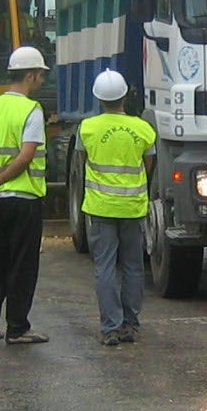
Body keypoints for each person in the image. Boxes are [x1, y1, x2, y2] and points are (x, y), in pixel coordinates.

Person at [0, 46, 50, 344]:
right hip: (24, 199)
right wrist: (1, 179)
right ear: (29, 75)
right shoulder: (32, 110)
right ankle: (18, 327)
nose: (42, 80)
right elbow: (26, 155)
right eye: (40, 75)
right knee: (22, 264)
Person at [77, 69, 156, 346]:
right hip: (132, 207)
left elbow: (82, 159)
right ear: (125, 95)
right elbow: (148, 165)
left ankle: (110, 327)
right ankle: (131, 325)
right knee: (134, 267)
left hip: (100, 207)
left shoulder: (87, 128)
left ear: (98, 98)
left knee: (105, 267)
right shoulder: (143, 129)